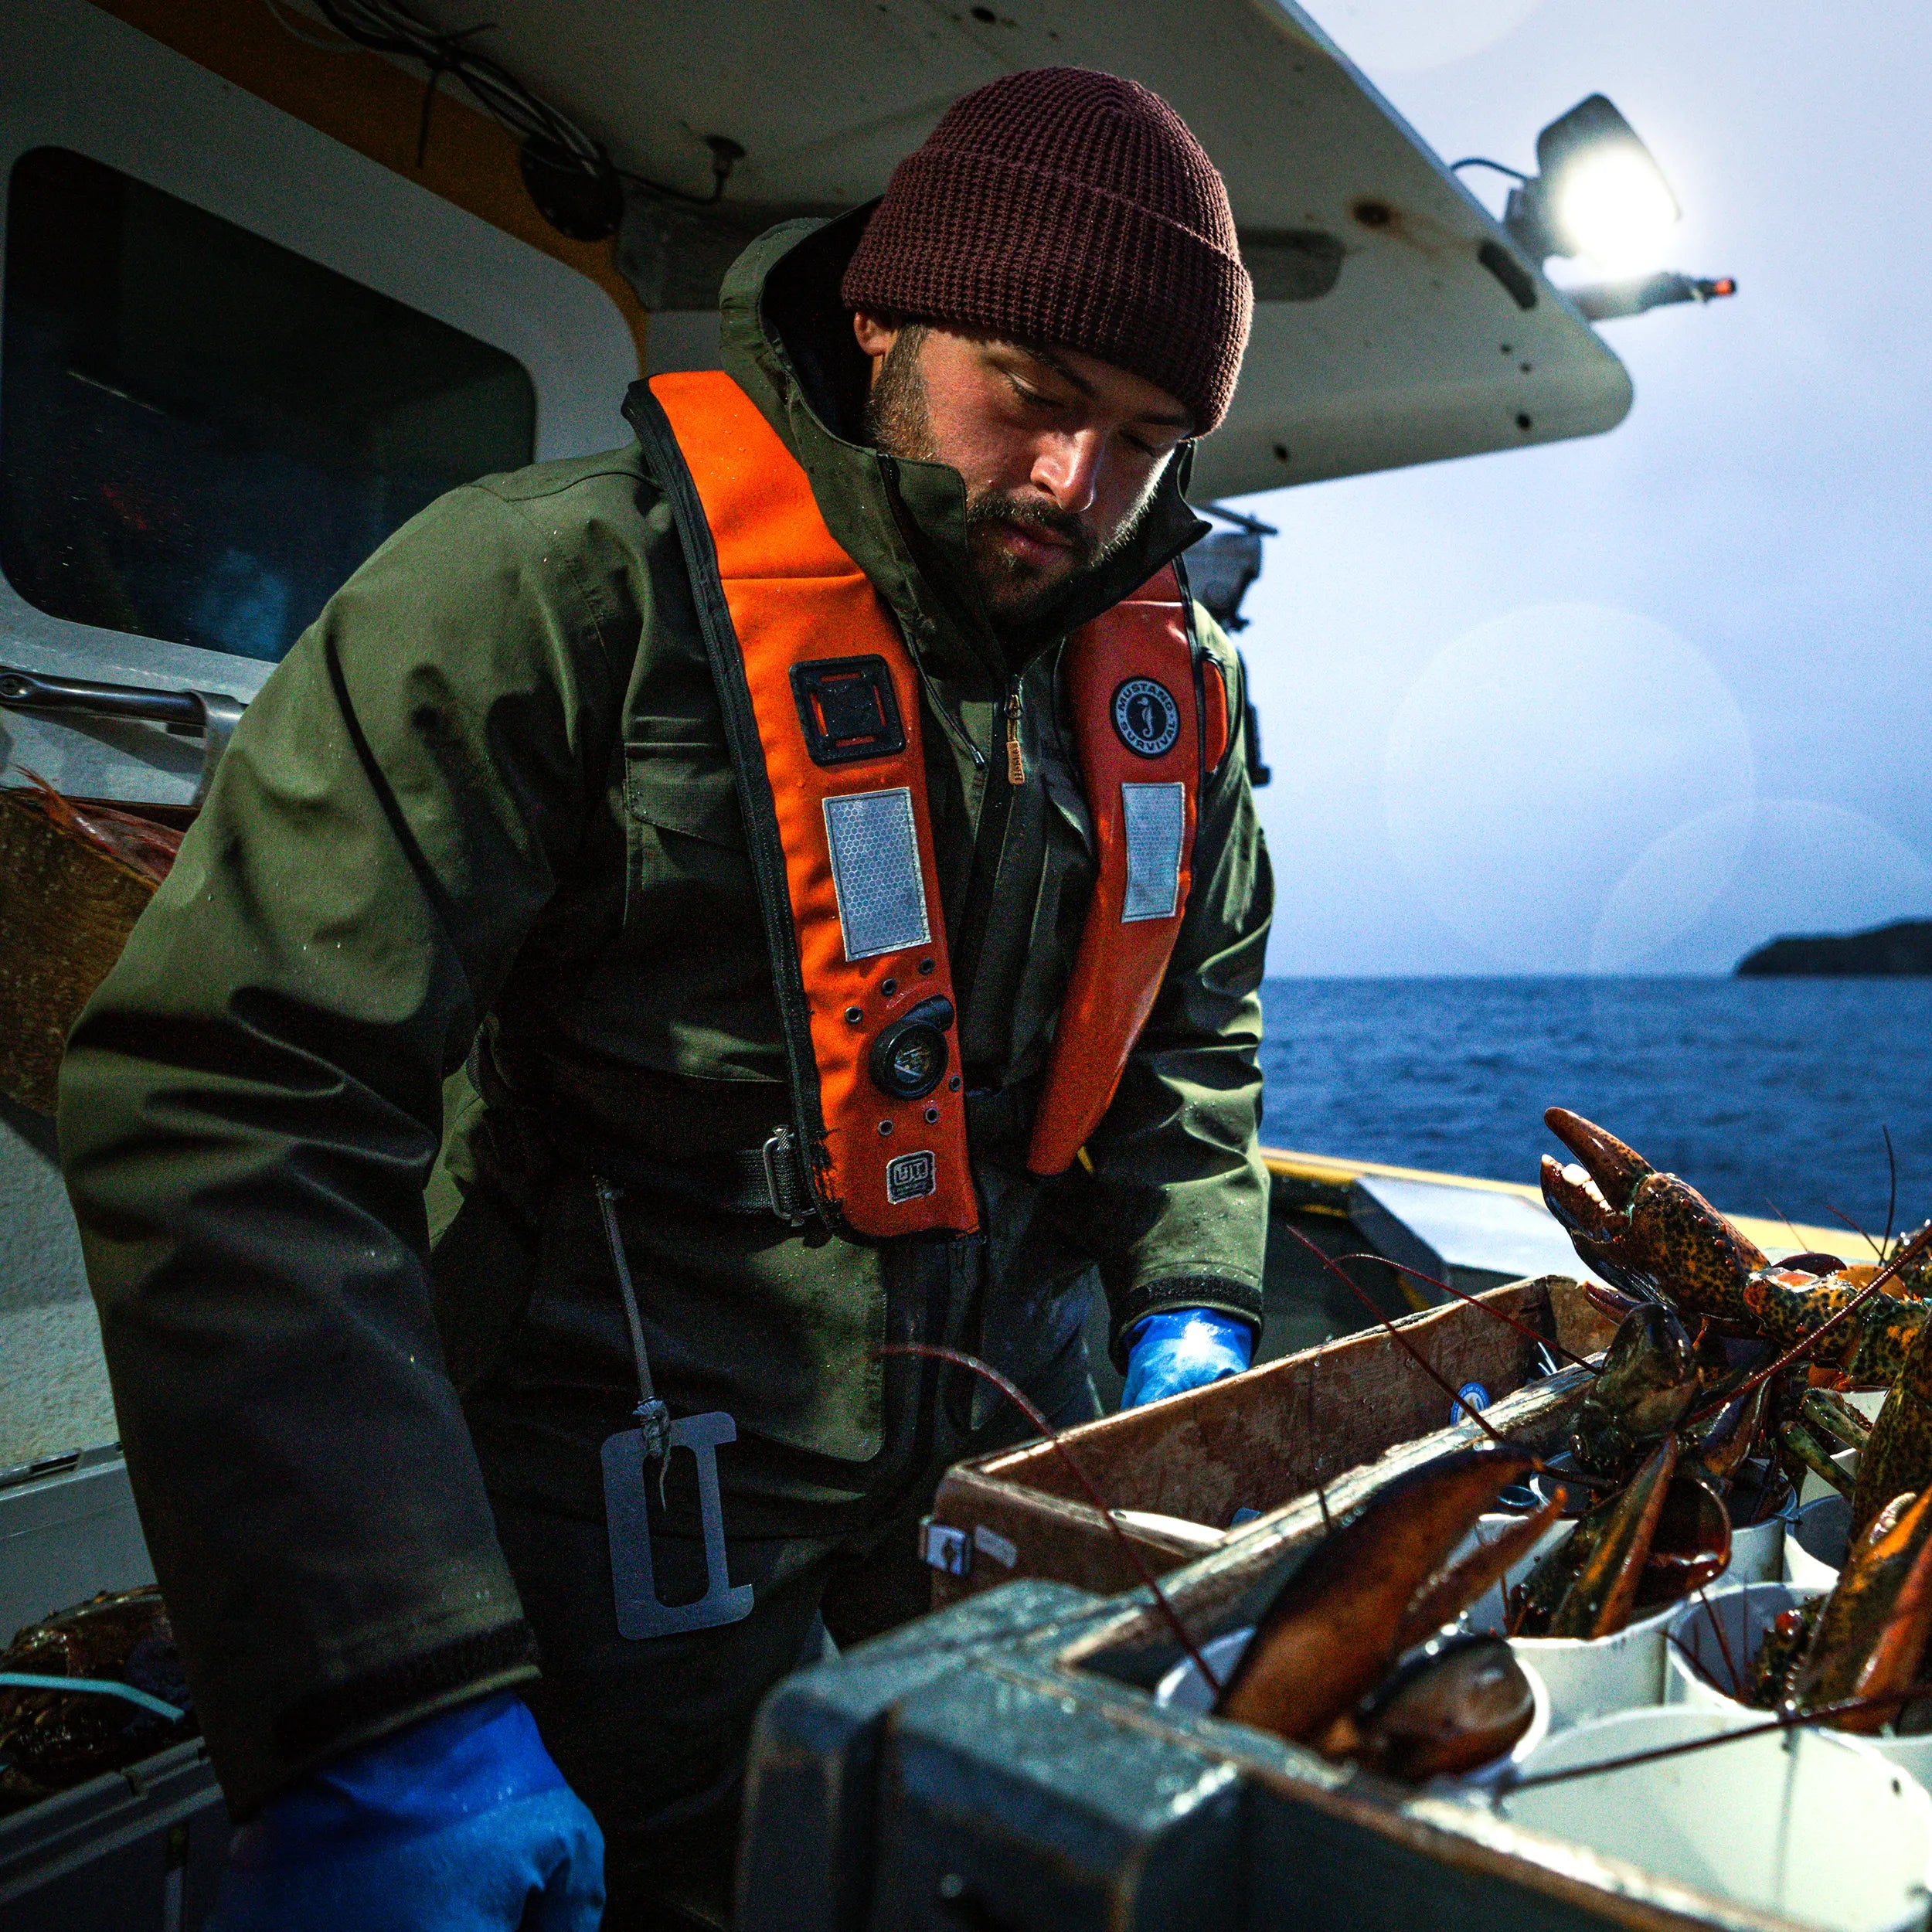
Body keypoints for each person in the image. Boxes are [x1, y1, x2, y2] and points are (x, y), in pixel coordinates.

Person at [58, 64, 1272, 1930]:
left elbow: (1191, 1033)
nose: (1070, 485)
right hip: (615, 1525)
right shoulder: (544, 589)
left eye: (1143, 437)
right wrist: (380, 1693)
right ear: (882, 310)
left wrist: (1188, 1303)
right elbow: (235, 1101)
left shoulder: (1166, 693)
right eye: (1027, 393)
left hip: (1003, 1488)